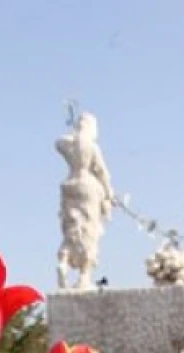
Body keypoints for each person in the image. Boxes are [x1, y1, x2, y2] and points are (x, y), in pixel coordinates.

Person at [56, 112, 115, 290]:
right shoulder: (91, 146)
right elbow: (102, 172)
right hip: (87, 186)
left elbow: (58, 143)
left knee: (71, 227)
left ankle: (64, 261)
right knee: (89, 230)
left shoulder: (68, 144)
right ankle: (84, 275)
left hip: (68, 184)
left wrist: (73, 136)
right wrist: (109, 192)